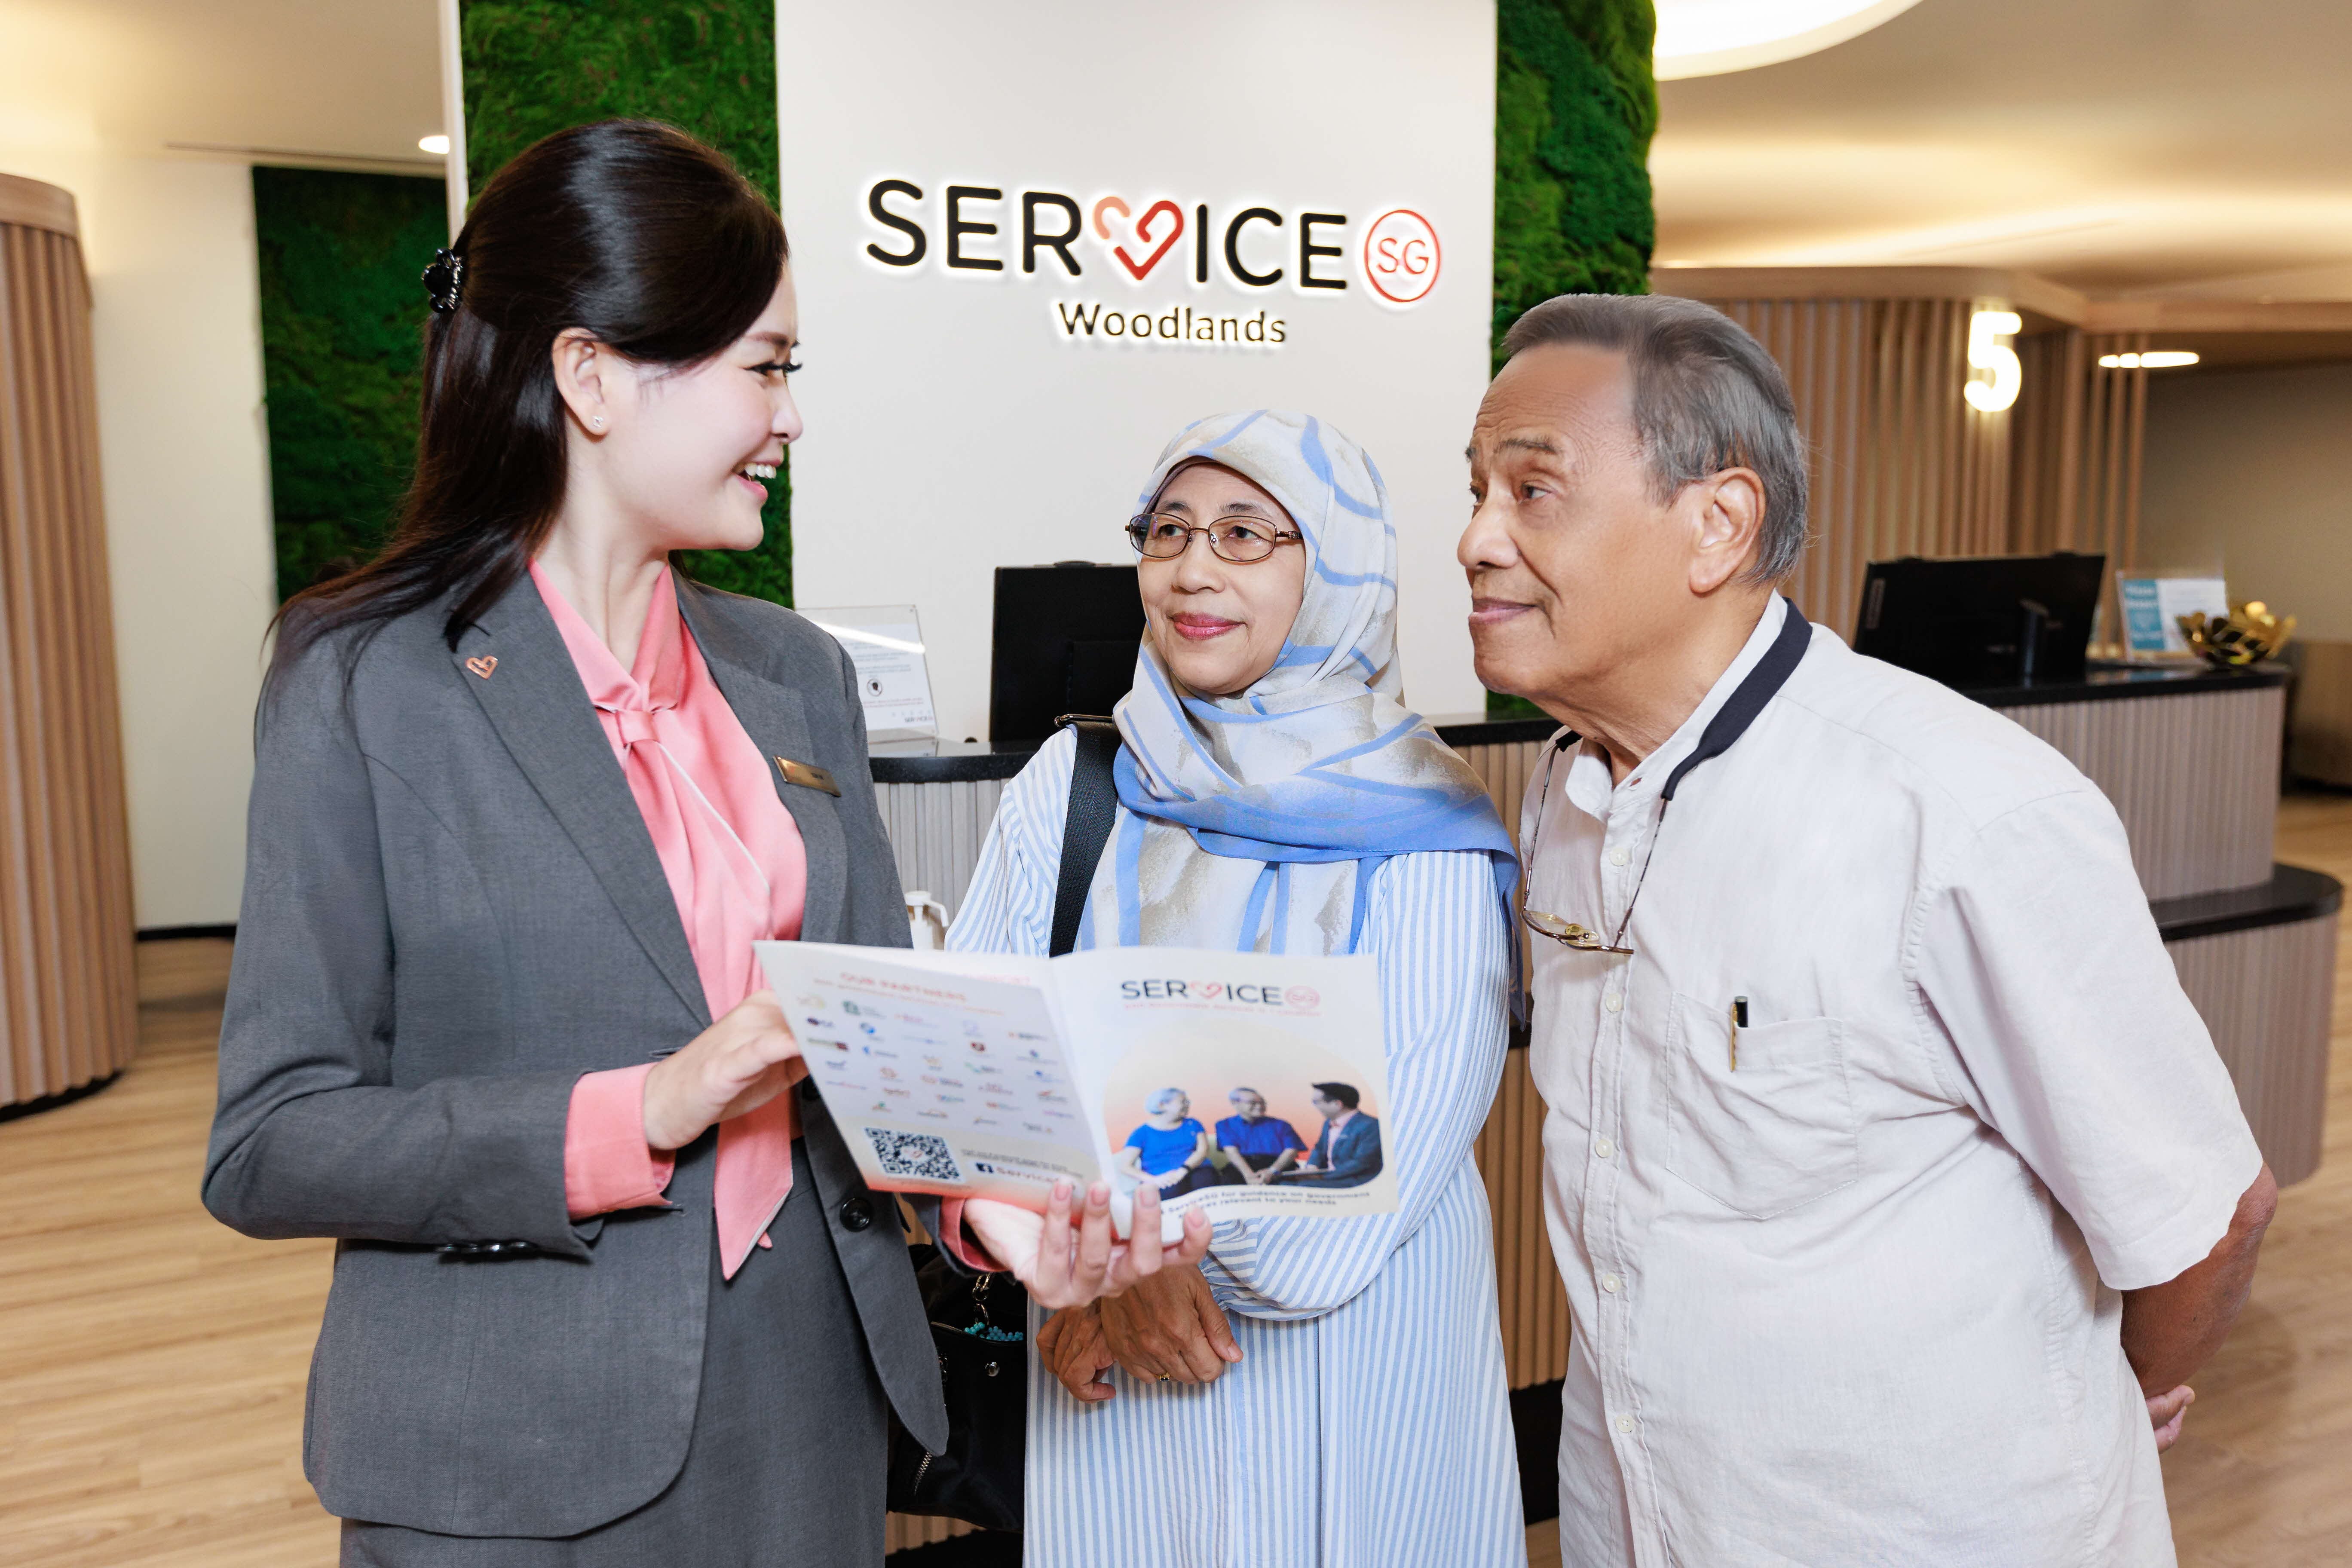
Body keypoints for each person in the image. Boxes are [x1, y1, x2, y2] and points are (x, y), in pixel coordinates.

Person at [201, 120, 1201, 1568]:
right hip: (505, 1455)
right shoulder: (361, 677)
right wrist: (651, 1104)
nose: (791, 416)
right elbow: (272, 1139)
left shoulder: (792, 672)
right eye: (767, 366)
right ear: (593, 374)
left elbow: (869, 1054)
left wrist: (1002, 1219)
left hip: (804, 1415)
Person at [1461, 291, 2275, 1566]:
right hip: (1644, 1509)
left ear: (1716, 525)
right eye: (1475, 490)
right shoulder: (1565, 797)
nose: (1475, 539)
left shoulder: (1960, 810)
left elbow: (2206, 1211)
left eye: (1532, 490)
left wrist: (2118, 1392)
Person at [949, 410, 1528, 1565]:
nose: (1192, 568)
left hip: (1356, 1377)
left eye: (1246, 532)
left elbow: (1359, 1193)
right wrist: (1086, 1283)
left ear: (1340, 569)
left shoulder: (1429, 825)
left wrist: (1111, 1267)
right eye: (1167, 531)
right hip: (1111, 1384)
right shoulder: (1078, 782)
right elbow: (970, 1085)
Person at [1274, 1082, 1382, 1188]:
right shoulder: (1329, 1123)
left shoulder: (1371, 1126)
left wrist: (1322, 1177)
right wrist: (1312, 1168)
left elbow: (1361, 1163)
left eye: (1316, 1102)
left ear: (1337, 1104)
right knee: (1282, 1184)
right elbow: (1320, 1148)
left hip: (1355, 1180)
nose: (1315, 1107)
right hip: (1328, 1177)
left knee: (1304, 1186)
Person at [1120, 1088, 1216, 1196]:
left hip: (1195, 1169)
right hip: (1161, 1178)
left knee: (1206, 1183)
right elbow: (1126, 1166)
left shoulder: (1193, 1124)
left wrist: (1182, 1171)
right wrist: (1154, 1180)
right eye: (1183, 1101)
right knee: (1172, 1190)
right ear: (1162, 1105)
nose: (1188, 1104)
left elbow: (1202, 1151)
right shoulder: (1141, 1133)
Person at [1213, 1087, 1305, 1185]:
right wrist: (1249, 1176)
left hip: (1278, 1166)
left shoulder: (1281, 1125)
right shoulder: (1224, 1125)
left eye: (1262, 1103)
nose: (1259, 1106)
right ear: (1235, 1103)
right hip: (1243, 1166)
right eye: (1253, 1103)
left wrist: (1272, 1171)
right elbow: (1232, 1152)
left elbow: (1291, 1151)